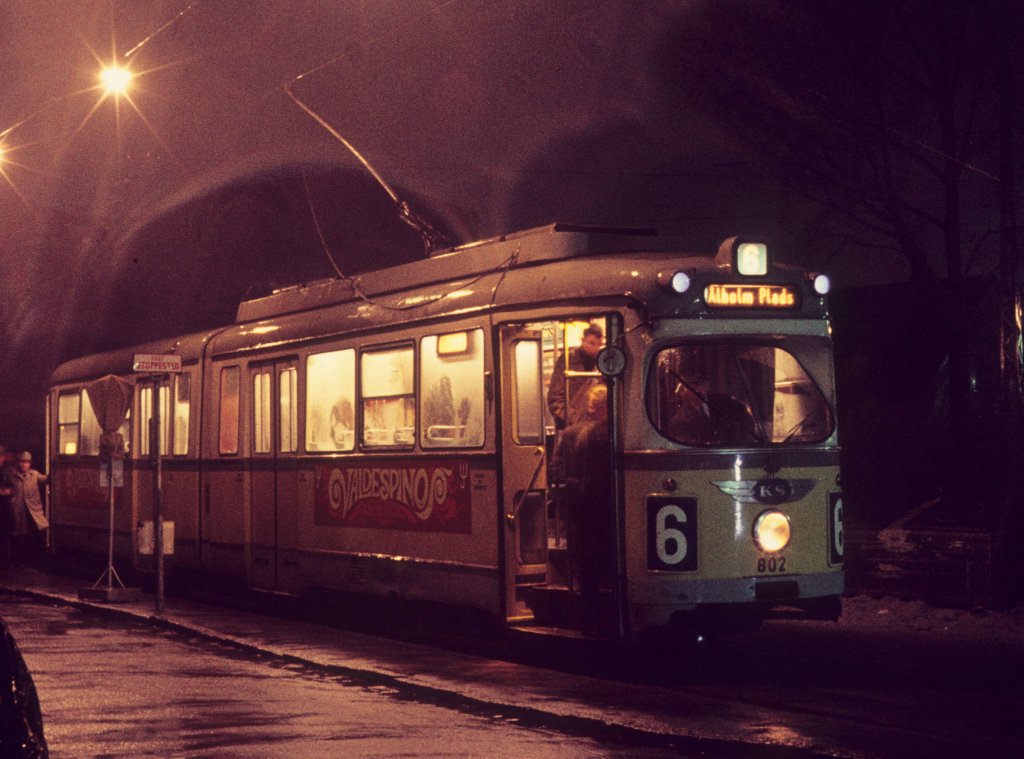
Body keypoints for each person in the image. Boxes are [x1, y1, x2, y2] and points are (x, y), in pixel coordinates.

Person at [553, 384, 614, 635]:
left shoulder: (569, 434)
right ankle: (596, 619)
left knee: (587, 570)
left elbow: (557, 472)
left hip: (583, 510)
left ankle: (588, 619)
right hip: (603, 509)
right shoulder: (613, 435)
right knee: (599, 565)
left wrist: (574, 489)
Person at [547, 323, 603, 430]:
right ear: (583, 340)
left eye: (598, 344)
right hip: (571, 426)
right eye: (591, 343)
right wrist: (573, 420)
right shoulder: (566, 361)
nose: (595, 348)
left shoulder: (602, 362)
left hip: (594, 427)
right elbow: (555, 398)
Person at [6, 453, 48, 568]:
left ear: (30, 464)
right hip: (17, 511)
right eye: (22, 462)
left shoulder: (34, 475)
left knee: (33, 536)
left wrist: (55, 469)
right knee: (18, 537)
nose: (24, 465)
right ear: (18, 462)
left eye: (27, 462)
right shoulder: (11, 474)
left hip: (32, 511)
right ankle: (18, 562)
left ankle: (33, 561)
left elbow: (46, 479)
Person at [0, 447, 13, 570]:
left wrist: (7, 491)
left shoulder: (6, 471)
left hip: (4, 508)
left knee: (5, 535)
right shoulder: (6, 471)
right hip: (3, 507)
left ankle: (5, 562)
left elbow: (11, 488)